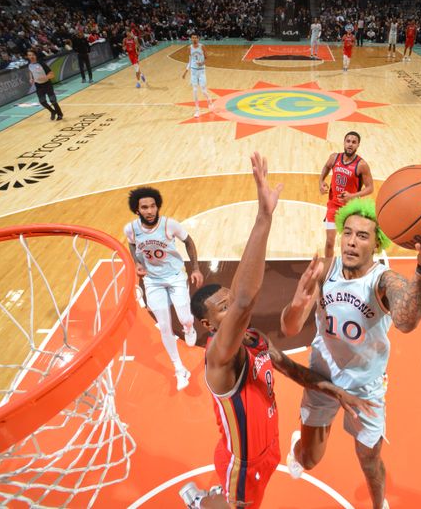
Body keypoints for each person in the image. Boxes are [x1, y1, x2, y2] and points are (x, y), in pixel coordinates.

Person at [180, 153, 377, 509]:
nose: (232, 308)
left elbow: (291, 368)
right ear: (208, 326)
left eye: (227, 299)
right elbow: (244, 301)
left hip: (269, 449)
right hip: (242, 464)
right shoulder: (219, 359)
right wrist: (263, 218)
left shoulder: (253, 340)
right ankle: (200, 502)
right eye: (222, 309)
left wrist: (337, 393)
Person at [280, 198, 421, 509]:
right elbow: (289, 327)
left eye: (362, 236)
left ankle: (379, 506)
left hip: (365, 386)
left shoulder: (382, 280)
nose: (351, 242)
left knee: (369, 459)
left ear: (376, 243)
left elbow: (406, 320)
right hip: (321, 378)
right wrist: (297, 304)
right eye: (347, 233)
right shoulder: (325, 270)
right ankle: (298, 445)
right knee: (309, 460)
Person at [124, 186, 202, 390]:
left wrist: (195, 268)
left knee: (184, 317)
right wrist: (137, 263)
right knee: (165, 327)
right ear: (137, 210)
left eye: (152, 206)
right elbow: (132, 244)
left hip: (175, 276)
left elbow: (189, 241)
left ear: (157, 207)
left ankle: (188, 327)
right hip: (152, 281)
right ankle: (179, 369)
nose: (149, 211)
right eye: (144, 207)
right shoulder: (131, 229)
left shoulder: (170, 225)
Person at [319, 131, 374, 258]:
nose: (350, 144)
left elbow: (370, 188)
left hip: (351, 209)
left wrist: (352, 196)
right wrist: (321, 181)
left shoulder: (362, 165)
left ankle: (353, 266)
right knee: (329, 242)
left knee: (351, 243)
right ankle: (329, 270)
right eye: (348, 141)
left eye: (354, 142)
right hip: (333, 206)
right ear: (344, 142)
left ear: (358, 145)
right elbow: (326, 167)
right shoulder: (334, 158)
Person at [182, 33, 213, 118]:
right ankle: (197, 110)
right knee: (195, 90)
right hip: (193, 71)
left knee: (203, 90)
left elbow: (206, 57)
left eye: (196, 38)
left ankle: (209, 101)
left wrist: (201, 63)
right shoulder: (189, 48)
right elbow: (190, 60)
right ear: (191, 39)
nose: (194, 39)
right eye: (192, 38)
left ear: (198, 39)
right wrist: (186, 71)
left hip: (201, 70)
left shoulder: (202, 46)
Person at [26, 49, 63, 121]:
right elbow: (30, 71)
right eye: (29, 55)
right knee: (42, 101)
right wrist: (31, 78)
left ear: (35, 55)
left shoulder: (41, 64)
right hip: (38, 86)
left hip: (47, 84)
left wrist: (45, 77)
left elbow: (52, 74)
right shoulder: (29, 65)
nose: (31, 56)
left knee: (53, 100)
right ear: (28, 56)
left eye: (33, 55)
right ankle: (52, 112)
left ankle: (60, 114)